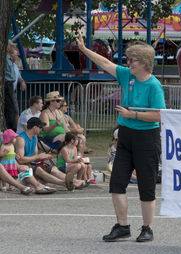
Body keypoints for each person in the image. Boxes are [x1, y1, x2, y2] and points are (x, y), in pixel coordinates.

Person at [77, 30, 165, 242]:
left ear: (143, 62)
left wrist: (132, 114)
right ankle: (122, 226)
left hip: (146, 137)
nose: (129, 63)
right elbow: (106, 63)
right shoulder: (127, 75)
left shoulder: (153, 85)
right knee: (116, 183)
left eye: (132, 60)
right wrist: (84, 49)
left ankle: (147, 228)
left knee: (146, 185)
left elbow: (160, 115)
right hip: (125, 135)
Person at [15, 117, 84, 191]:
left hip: (32, 163)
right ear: (35, 127)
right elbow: (21, 160)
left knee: (53, 168)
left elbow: (34, 156)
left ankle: (74, 181)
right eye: (40, 127)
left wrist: (42, 157)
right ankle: (66, 183)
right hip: (24, 165)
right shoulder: (21, 139)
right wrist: (38, 157)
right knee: (39, 169)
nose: (41, 129)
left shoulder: (34, 137)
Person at [0, 129, 56, 194]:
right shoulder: (4, 146)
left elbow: (13, 154)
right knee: (7, 171)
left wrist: (16, 156)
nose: (15, 139)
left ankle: (37, 186)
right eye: (13, 138)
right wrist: (4, 153)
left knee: (23, 169)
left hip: (12, 164)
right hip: (5, 164)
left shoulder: (12, 146)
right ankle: (10, 186)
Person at [5, 41, 19, 130]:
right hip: (7, 84)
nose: (14, 48)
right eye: (12, 46)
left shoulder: (9, 59)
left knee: (13, 109)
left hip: (10, 85)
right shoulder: (6, 59)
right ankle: (11, 128)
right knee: (10, 108)